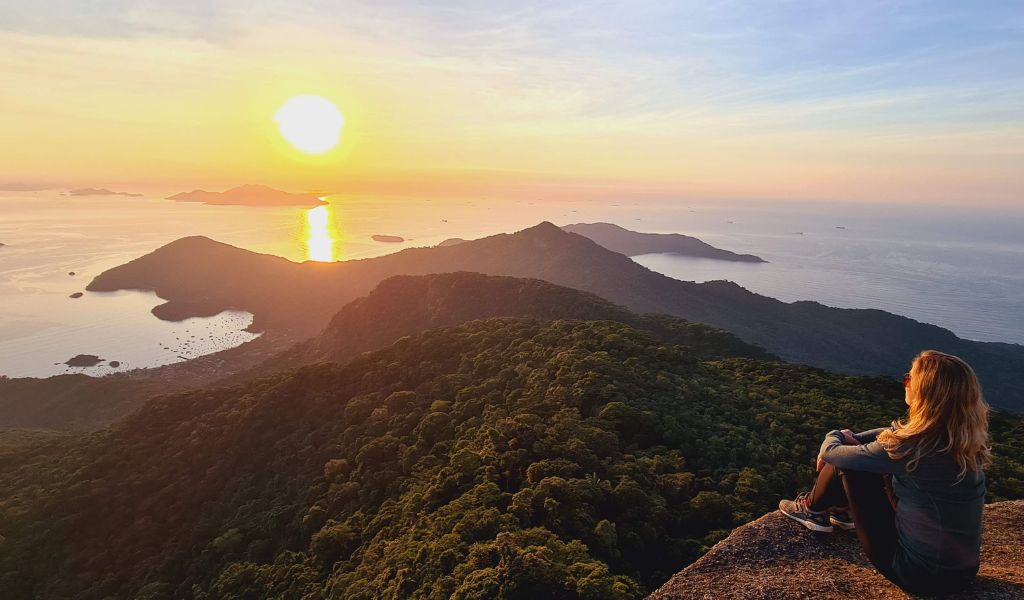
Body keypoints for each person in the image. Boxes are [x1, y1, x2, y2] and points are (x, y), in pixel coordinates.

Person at [778, 350, 990, 596]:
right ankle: (844, 512)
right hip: (962, 572)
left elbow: (833, 454)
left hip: (918, 576)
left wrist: (835, 435)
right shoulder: (965, 440)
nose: (905, 382)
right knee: (864, 458)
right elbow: (890, 434)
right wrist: (852, 437)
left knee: (851, 465)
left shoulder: (909, 448)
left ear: (925, 392)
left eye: (909, 378)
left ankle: (812, 509)